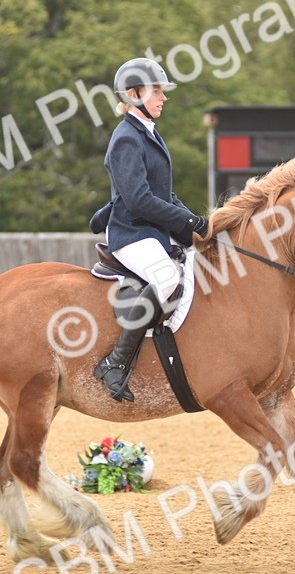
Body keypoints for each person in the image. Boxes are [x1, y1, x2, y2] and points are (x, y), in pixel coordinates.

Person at [89, 57, 209, 402]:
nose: (163, 97)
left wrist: (199, 226)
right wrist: (186, 222)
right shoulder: (126, 138)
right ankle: (115, 362)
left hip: (152, 229)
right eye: (157, 90)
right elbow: (140, 201)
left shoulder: (148, 132)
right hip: (132, 232)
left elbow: (166, 194)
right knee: (168, 277)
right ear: (134, 93)